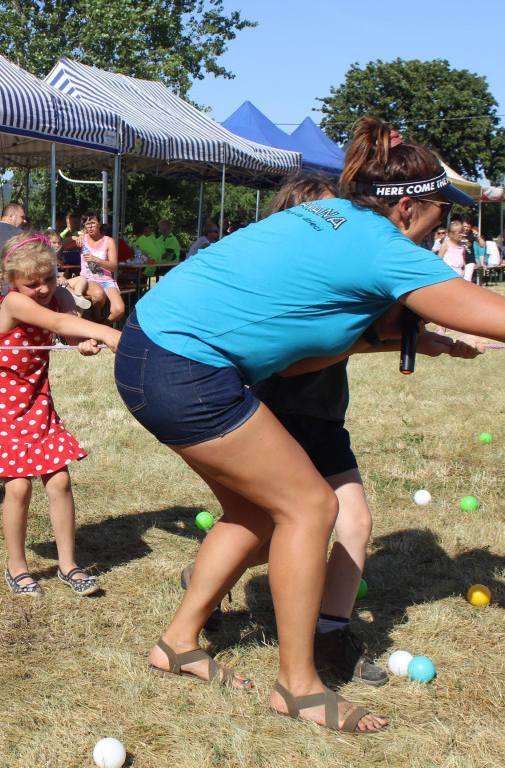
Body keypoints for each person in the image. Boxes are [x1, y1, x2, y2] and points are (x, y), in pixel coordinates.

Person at [114, 115, 488, 734]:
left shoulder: (326, 216)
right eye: (435, 218)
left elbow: (309, 342)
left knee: (258, 512)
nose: (437, 231)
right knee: (311, 508)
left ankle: (178, 643)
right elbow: (485, 313)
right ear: (408, 212)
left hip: (154, 352)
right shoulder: (378, 241)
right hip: (183, 367)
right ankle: (298, 686)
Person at [181, 172, 481, 688]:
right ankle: (204, 581)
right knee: (266, 533)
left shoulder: (352, 267)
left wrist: (421, 336)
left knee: (355, 521)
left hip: (324, 417)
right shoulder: (287, 281)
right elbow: (300, 357)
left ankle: (329, 634)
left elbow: (375, 325)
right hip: (274, 414)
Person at [0, 233, 121, 596]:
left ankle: (68, 564)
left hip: (36, 398)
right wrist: (108, 333)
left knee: (60, 480)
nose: (43, 288)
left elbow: (67, 330)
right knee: (18, 487)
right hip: (1, 405)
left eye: (48, 279)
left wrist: (82, 342)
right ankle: (16, 566)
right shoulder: (14, 303)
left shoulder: (58, 295)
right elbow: (59, 325)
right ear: (12, 282)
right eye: (31, 283)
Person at [77, 211, 124, 323]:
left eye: (93, 222)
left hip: (107, 281)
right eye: (87, 224)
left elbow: (113, 267)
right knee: (98, 295)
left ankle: (99, 325)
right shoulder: (82, 239)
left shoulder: (109, 241)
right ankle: (95, 318)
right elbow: (59, 241)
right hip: (88, 279)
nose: (90, 226)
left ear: (99, 223)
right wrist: (77, 236)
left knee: (119, 310)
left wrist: (96, 260)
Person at [45, 228, 91, 310]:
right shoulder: (44, 258)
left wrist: (59, 278)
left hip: (57, 282)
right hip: (49, 285)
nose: (57, 245)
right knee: (77, 303)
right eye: (54, 243)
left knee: (82, 279)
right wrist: (58, 280)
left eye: (59, 243)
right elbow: (45, 278)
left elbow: (55, 275)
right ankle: (76, 298)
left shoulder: (54, 257)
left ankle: (78, 295)